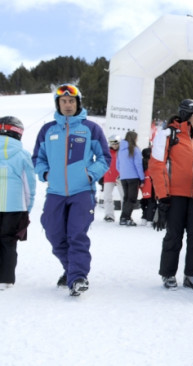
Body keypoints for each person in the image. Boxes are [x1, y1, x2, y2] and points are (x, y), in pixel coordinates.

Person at [32, 84, 111, 296]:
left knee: (76, 234)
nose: (68, 105)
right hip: (55, 192)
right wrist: (46, 174)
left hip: (82, 192)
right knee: (53, 233)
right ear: (58, 104)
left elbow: (104, 158)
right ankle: (70, 270)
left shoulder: (90, 128)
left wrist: (89, 174)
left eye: (72, 101)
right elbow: (38, 159)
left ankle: (77, 278)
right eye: (64, 102)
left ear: (78, 103)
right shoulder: (47, 130)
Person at [149, 99, 193, 290]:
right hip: (175, 195)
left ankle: (192, 274)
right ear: (186, 115)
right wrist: (163, 195)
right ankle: (168, 273)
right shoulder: (167, 135)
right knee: (174, 236)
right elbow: (157, 166)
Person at [0, 116, 36, 290]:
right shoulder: (22, 154)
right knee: (8, 241)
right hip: (14, 206)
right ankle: (5, 280)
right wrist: (27, 207)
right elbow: (29, 184)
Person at [116, 131, 144, 227]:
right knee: (131, 199)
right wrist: (142, 178)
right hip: (133, 177)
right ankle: (125, 217)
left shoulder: (121, 149)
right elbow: (138, 165)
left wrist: (123, 173)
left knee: (126, 198)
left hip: (123, 177)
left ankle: (124, 217)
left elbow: (117, 165)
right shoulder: (134, 149)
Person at [102, 134, 123, 222]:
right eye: (112, 143)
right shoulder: (107, 152)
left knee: (124, 196)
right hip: (109, 176)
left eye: (116, 143)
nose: (114, 145)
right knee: (107, 196)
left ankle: (125, 215)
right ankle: (109, 215)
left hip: (120, 176)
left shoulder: (123, 152)